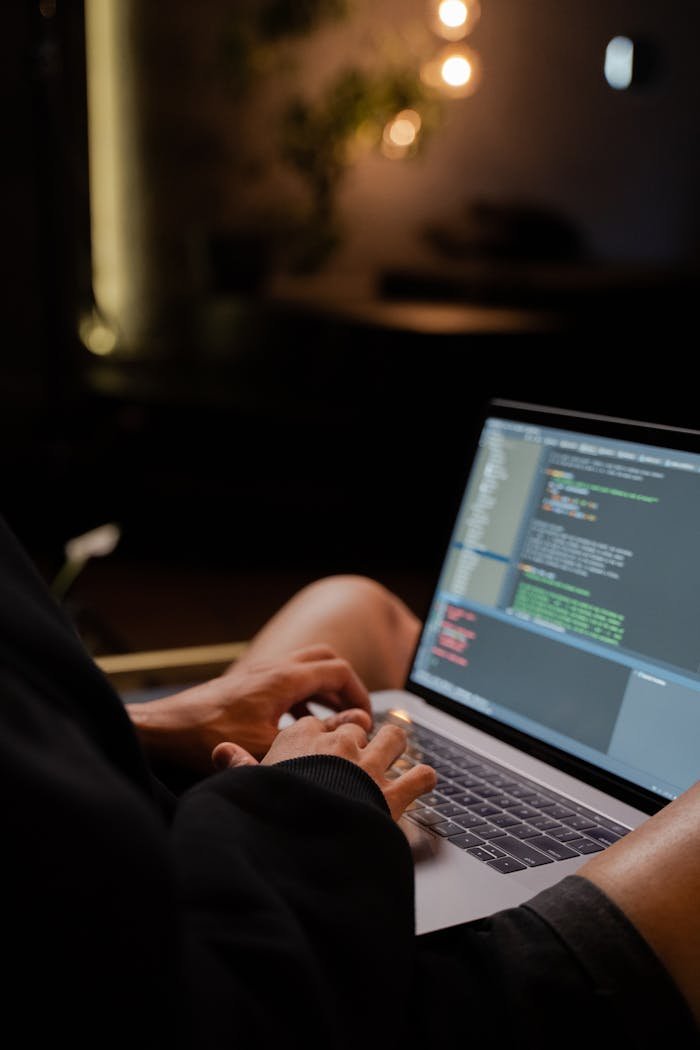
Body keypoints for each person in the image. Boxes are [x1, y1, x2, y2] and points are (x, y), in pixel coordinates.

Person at [1, 513, 698, 1050]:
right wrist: (307, 794)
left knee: (353, 603)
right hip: (308, 998)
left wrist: (142, 727)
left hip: (194, 860)